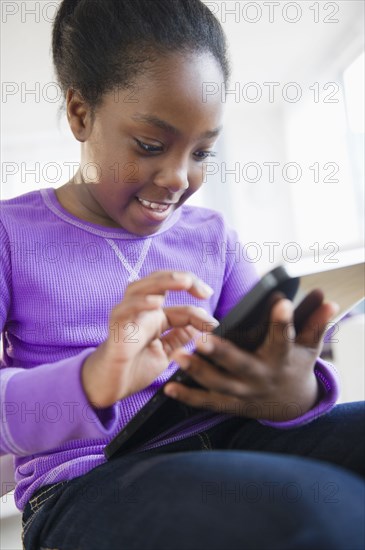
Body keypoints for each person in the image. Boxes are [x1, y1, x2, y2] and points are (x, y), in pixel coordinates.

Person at [0, 1, 364, 549]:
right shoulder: (10, 234)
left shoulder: (213, 236)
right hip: (87, 485)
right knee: (307, 510)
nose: (176, 177)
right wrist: (92, 380)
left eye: (202, 152)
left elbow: (270, 376)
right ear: (80, 113)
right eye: (150, 146)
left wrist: (289, 389)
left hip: (233, 441)